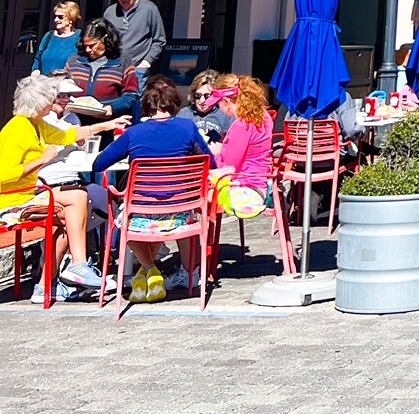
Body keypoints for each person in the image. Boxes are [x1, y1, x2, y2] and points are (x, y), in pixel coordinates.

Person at [91, 78, 211, 304]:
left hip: (140, 214)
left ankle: (149, 268)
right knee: (156, 213)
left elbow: (99, 165)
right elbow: (209, 162)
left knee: (122, 216)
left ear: (147, 108)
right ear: (174, 105)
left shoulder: (134, 133)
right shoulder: (187, 128)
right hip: (180, 212)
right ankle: (152, 271)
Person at [0, 73, 107, 299]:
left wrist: (105, 125)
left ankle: (58, 277)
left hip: (28, 193)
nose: (53, 104)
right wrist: (41, 160)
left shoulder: (35, 124)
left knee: (76, 200)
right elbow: (4, 175)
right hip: (11, 197)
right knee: (74, 205)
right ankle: (55, 279)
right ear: (38, 104)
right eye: (50, 100)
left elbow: (65, 135)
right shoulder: (18, 128)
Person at [210, 76, 274, 225]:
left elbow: (230, 168)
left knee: (195, 195)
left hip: (245, 193)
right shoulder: (264, 117)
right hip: (260, 186)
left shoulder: (241, 125)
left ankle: (202, 246)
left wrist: (217, 152)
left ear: (226, 102)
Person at [63, 19, 140, 118]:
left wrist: (113, 108)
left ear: (106, 40)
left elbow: (131, 93)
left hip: (110, 121)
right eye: (85, 45)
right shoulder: (74, 61)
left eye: (92, 45)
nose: (88, 50)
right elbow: (63, 87)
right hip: (76, 120)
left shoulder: (123, 62)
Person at [103, 0, 167, 80]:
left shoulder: (149, 9)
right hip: (113, 67)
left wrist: (146, 62)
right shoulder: (110, 12)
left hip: (137, 68)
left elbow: (159, 40)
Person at [180, 71, 234, 144]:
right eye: (198, 96)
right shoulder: (183, 114)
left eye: (207, 96)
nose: (202, 101)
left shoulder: (225, 115)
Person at [33, 1, 82, 76]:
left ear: (71, 19)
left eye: (60, 17)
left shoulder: (79, 36)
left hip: (66, 84)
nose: (56, 20)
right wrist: (35, 70)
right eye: (55, 16)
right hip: (45, 83)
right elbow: (37, 59)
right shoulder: (49, 36)